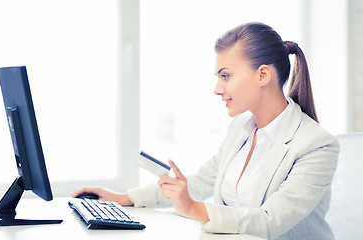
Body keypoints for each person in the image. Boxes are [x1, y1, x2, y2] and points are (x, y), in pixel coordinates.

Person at [72, 22, 339, 240]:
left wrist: (192, 208)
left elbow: (270, 221)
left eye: (226, 76)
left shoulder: (316, 145)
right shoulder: (240, 129)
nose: (217, 89)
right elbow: (200, 183)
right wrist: (125, 198)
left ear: (262, 75)